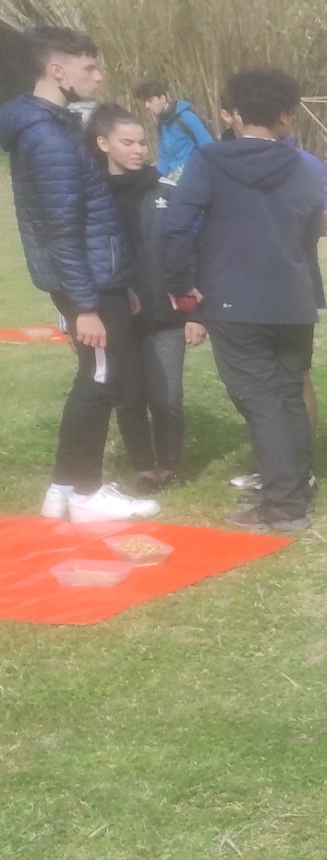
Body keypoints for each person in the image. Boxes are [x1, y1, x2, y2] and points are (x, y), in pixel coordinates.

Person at [159, 68, 327, 532]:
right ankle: (295, 487)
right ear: (286, 114)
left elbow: (177, 225)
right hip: (292, 298)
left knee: (261, 400)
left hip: (235, 300)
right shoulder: (305, 166)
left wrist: (180, 283)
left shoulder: (209, 161)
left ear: (233, 113)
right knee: (288, 393)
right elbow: (312, 228)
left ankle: (284, 505)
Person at [1, 26, 158, 523]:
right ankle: (88, 496)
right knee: (101, 383)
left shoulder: (53, 126)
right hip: (86, 283)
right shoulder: (47, 136)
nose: (97, 76)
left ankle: (62, 488)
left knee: (93, 378)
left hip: (97, 278)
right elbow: (62, 229)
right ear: (56, 70)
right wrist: (86, 306)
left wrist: (117, 283)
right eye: (88, 67)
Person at [88, 103, 202, 495]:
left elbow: (191, 254)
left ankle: (169, 463)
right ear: (103, 143)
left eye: (142, 142)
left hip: (165, 316)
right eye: (128, 142)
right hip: (116, 317)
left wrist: (195, 313)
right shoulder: (92, 195)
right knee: (129, 396)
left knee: (167, 397)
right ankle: (144, 468)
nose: (138, 150)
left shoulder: (168, 192)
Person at [133, 81, 211, 180]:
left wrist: (181, 171)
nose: (147, 105)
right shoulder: (162, 126)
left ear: (162, 98)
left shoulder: (186, 117)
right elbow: (164, 156)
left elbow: (207, 146)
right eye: (145, 102)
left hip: (195, 174)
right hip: (174, 177)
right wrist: (159, 178)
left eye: (149, 100)